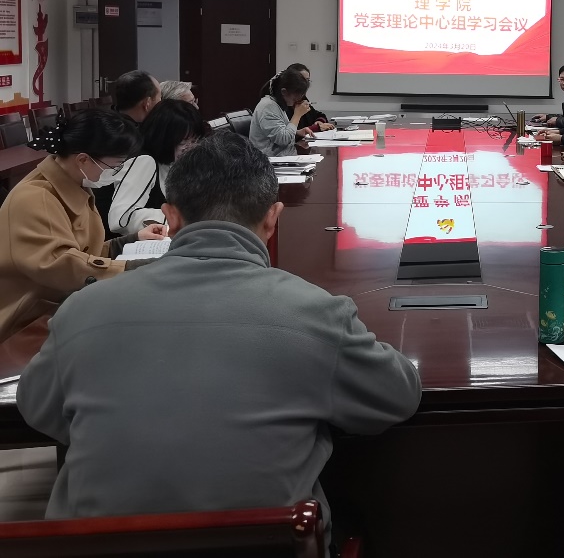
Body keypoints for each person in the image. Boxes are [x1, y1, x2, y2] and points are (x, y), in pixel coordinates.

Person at [17, 133, 422, 540]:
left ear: (171, 218)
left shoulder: (81, 309)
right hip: (267, 546)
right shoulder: (317, 313)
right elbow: (397, 395)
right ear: (273, 217)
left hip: (97, 546)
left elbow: (38, 409)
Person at [0, 110, 167, 341]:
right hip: (25, 321)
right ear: (83, 160)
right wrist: (130, 268)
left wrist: (128, 242)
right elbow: (60, 264)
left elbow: (83, 252)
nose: (116, 172)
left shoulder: (74, 185)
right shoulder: (35, 198)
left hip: (59, 305)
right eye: (115, 166)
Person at [107, 99, 211, 236]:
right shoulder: (144, 161)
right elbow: (120, 218)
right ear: (165, 139)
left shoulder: (171, 163)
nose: (190, 148)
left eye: (194, 140)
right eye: (184, 142)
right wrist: (178, 217)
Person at [250, 67, 319, 157]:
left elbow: (279, 131)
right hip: (269, 160)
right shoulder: (268, 107)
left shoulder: (277, 104)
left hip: (284, 156)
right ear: (284, 92)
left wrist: (297, 132)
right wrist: (297, 114)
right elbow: (283, 140)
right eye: (296, 97)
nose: (299, 99)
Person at [261, 63, 333, 133]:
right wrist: (315, 128)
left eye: (307, 80)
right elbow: (288, 133)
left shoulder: (301, 98)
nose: (305, 84)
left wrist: (319, 122)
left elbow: (317, 115)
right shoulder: (283, 102)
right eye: (301, 80)